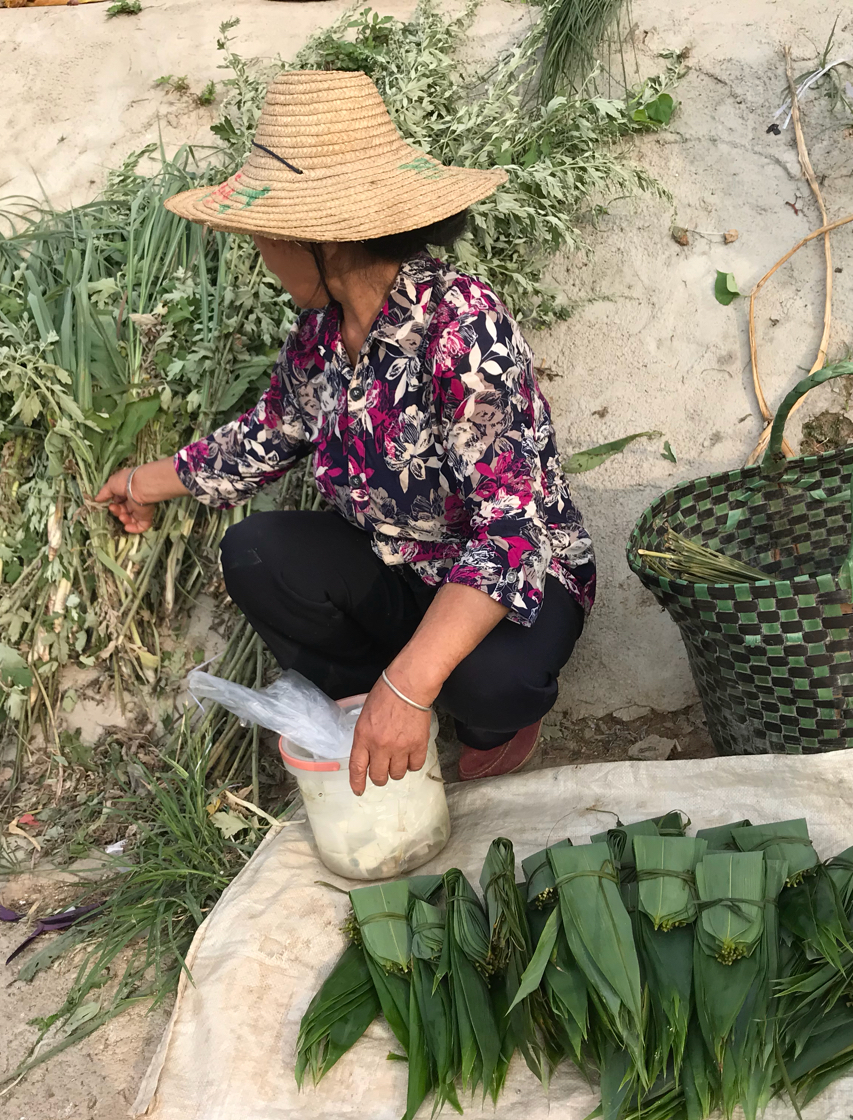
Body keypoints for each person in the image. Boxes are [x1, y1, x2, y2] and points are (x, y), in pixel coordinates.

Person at [94, 70, 595, 796]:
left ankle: (462, 713)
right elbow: (266, 434)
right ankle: (376, 704)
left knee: (495, 683)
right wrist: (140, 483)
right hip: (400, 565)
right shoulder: (320, 335)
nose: (263, 254)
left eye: (268, 236)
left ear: (317, 240)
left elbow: (509, 536)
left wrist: (414, 682)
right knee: (257, 554)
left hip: (509, 577)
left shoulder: (461, 328)